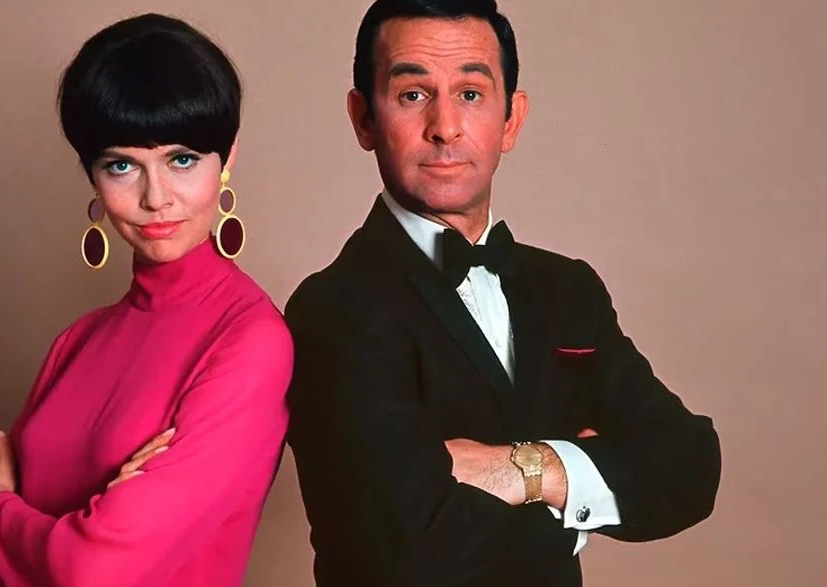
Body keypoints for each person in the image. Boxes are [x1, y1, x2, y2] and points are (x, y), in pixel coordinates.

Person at [285, 1, 721, 585]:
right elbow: (405, 545)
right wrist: (585, 488)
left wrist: (532, 469)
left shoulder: (568, 289)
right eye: (413, 95)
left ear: (511, 119)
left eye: (471, 94)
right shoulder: (329, 309)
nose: (445, 126)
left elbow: (691, 464)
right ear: (363, 118)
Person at [0, 13, 293, 587]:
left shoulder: (251, 341)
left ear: (227, 157)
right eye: (122, 165)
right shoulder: (77, 342)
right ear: (93, 176)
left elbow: (95, 570)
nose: (156, 198)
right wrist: (85, 523)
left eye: (182, 159)